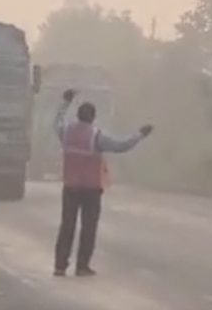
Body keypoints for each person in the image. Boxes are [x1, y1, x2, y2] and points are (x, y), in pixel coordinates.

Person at [53, 89, 153, 277]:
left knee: (67, 226)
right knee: (88, 228)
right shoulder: (96, 136)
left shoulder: (65, 132)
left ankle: (60, 265)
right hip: (91, 189)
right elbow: (121, 146)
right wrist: (140, 134)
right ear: (93, 118)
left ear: (78, 115)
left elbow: (56, 120)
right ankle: (82, 267)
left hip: (70, 187)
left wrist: (65, 101)